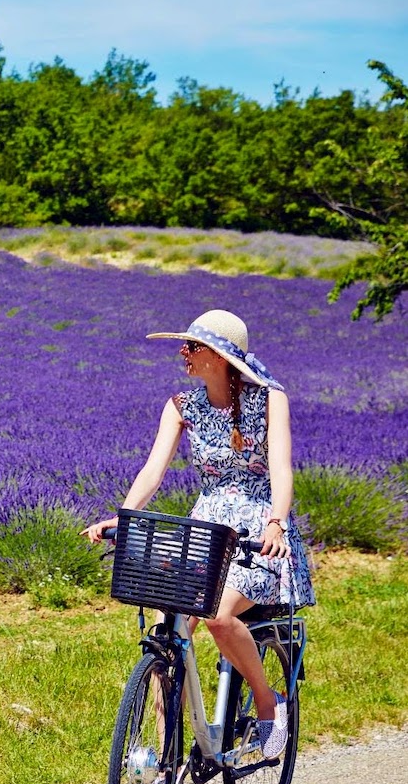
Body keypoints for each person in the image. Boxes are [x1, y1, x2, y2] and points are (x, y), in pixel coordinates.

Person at [81, 309, 315, 760]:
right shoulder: (180, 406)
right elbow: (153, 470)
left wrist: (276, 523)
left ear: (222, 356)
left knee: (218, 616)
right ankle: (163, 757)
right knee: (168, 631)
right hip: (207, 528)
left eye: (193, 346)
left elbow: (283, 471)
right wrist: (125, 517)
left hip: (259, 529)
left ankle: (269, 703)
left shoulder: (269, 400)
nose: (182, 353)